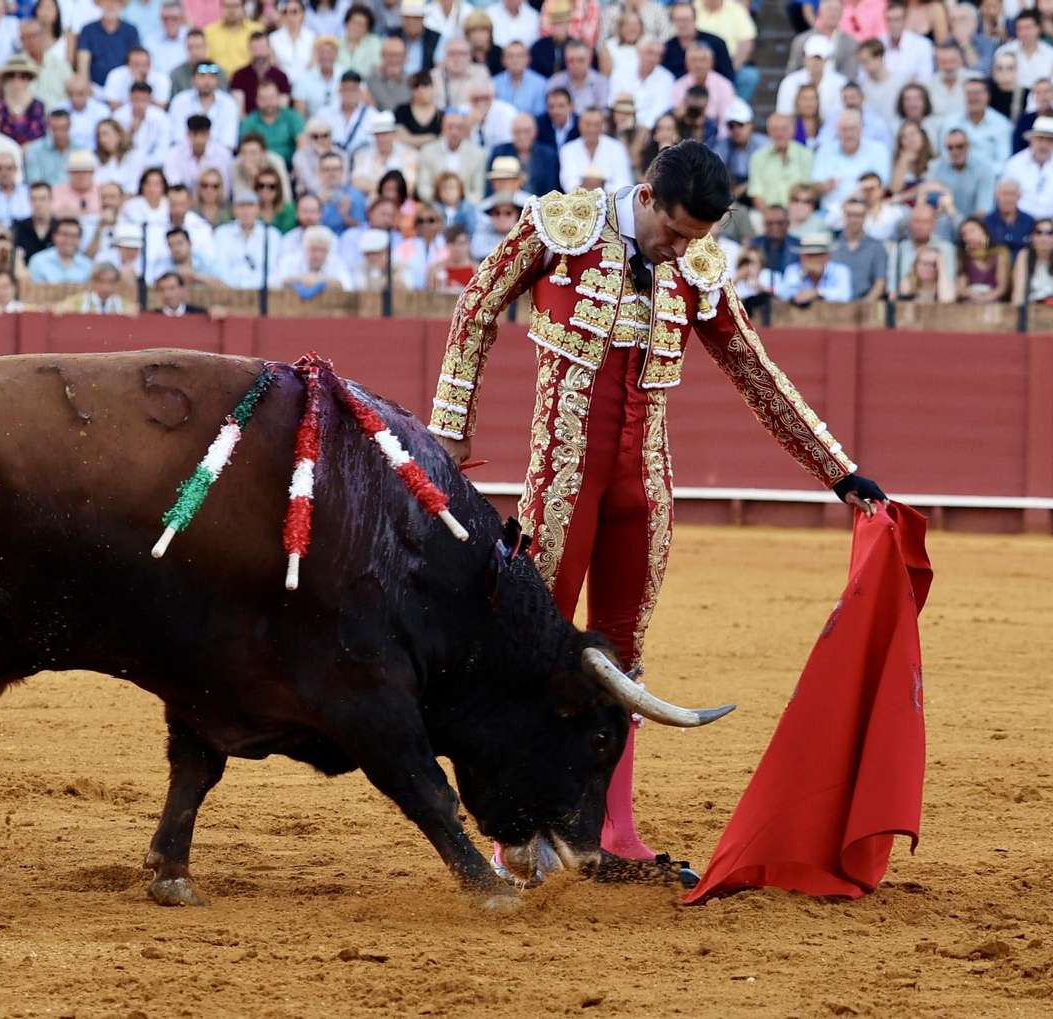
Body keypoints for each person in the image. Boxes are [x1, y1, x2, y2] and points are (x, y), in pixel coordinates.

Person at [424, 143, 885, 879]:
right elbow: (477, 305)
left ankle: (614, 833)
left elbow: (754, 369)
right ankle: (517, 829)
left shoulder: (698, 263)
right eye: (673, 234)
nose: (681, 251)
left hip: (645, 492)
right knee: (533, 655)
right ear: (644, 197)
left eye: (696, 239)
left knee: (624, 659)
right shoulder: (560, 224)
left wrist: (839, 470)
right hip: (562, 484)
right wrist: (450, 424)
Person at [1010, 219, 1053, 304]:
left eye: (1049, 233)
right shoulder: (1024, 255)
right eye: (1039, 233)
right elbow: (1018, 291)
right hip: (1030, 307)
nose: (1044, 238)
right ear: (1032, 237)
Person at [957, 214, 1011, 303]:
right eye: (964, 234)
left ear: (984, 231)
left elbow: (1002, 288)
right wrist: (974, 296)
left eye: (972, 231)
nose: (968, 237)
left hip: (994, 301)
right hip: (970, 301)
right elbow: (962, 288)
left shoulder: (998, 254)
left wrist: (986, 298)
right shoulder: (963, 256)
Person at [55, 260, 137, 314]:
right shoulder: (78, 302)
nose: (105, 287)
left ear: (116, 283)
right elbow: (58, 308)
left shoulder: (124, 305)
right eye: (100, 281)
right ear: (93, 282)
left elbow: (133, 310)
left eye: (110, 282)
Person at [28, 216, 93, 282]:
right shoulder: (38, 261)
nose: (69, 240)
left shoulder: (87, 265)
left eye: (74, 236)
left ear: (80, 240)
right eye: (65, 235)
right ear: (54, 236)